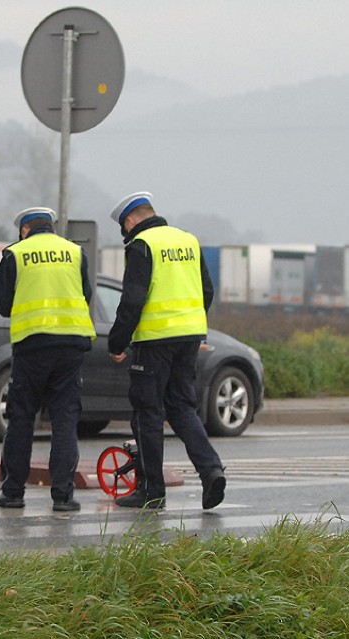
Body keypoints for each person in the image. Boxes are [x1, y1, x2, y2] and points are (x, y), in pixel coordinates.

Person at [107, 192, 226, 510]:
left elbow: (132, 300)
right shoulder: (188, 240)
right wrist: (190, 324)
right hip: (189, 338)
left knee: (148, 414)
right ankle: (211, 469)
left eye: (124, 228)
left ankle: (151, 491)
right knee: (183, 408)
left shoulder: (142, 245)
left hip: (154, 342)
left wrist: (117, 343)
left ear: (131, 221)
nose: (125, 235)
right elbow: (207, 290)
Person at [0, 207, 95, 512]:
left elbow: (1, 303)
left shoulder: (17, 254)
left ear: (23, 230)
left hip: (32, 345)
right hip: (71, 346)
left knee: (22, 418)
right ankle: (63, 495)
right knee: (64, 419)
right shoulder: (75, 252)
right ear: (50, 226)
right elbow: (86, 294)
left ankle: (13, 492)